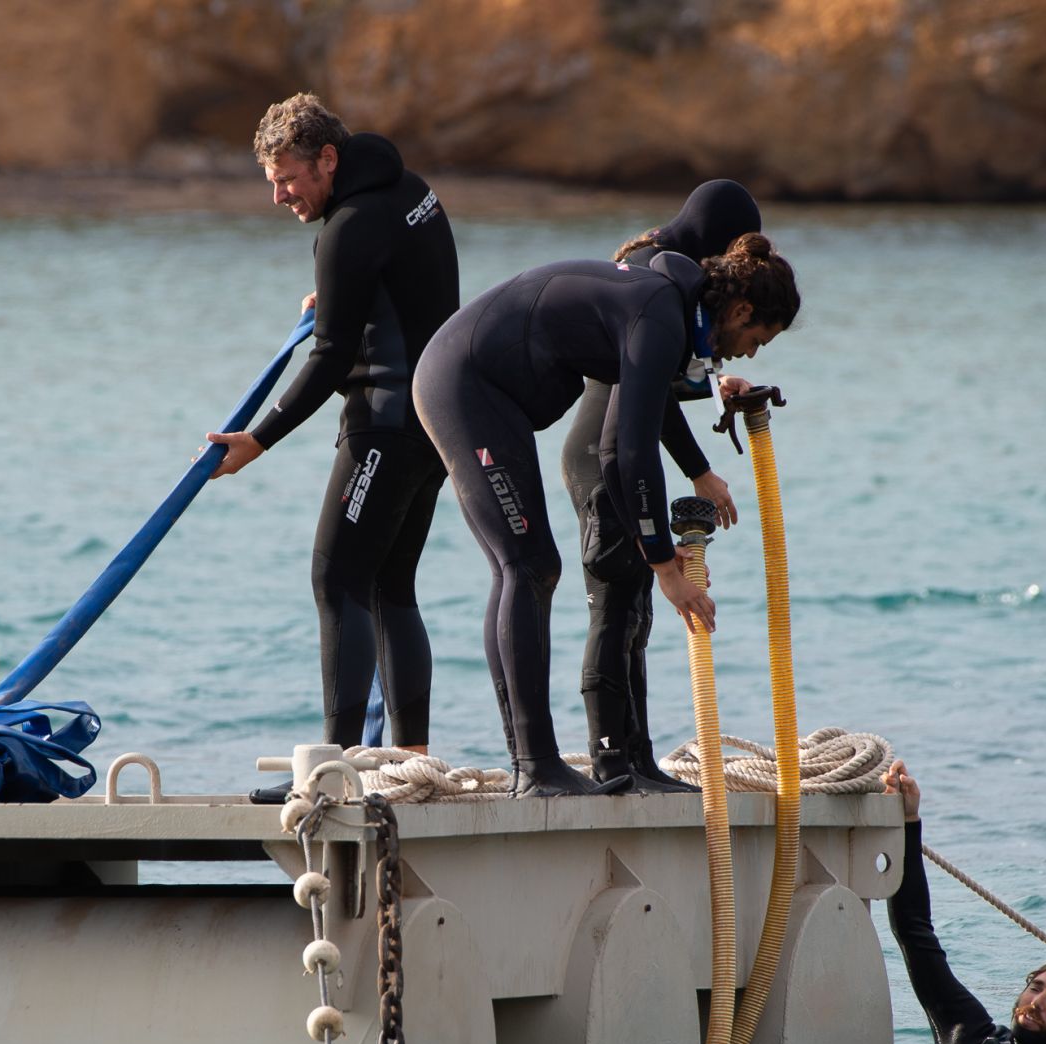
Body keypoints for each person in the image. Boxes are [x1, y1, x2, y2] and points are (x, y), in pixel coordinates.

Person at [413, 233, 799, 796]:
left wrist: (671, 528)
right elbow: (628, 454)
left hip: (483, 390)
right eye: (758, 337)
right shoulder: (662, 315)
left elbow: (637, 436)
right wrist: (666, 568)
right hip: (464, 384)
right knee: (527, 566)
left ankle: (538, 763)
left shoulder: (668, 307)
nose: (751, 352)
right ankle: (535, 767)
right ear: (740, 310)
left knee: (526, 567)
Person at [208, 93, 459, 761]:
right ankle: (410, 761)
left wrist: (258, 438)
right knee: (389, 585)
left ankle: (335, 764)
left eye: (288, 179)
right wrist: (348, 294)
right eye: (273, 182)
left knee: (336, 578)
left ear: (327, 159)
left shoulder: (347, 230)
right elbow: (413, 279)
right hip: (438, 422)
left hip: (384, 424)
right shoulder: (410, 189)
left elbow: (330, 359)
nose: (280, 196)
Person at [561, 180, 762, 793]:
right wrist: (700, 468)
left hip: (618, 451)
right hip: (601, 460)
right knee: (616, 606)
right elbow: (644, 404)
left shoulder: (670, 275)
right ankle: (609, 760)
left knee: (638, 615)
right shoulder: (651, 273)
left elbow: (661, 393)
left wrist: (711, 385)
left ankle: (638, 758)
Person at [882, 759, 1046, 1044]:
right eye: (1036, 987)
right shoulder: (968, 1033)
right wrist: (909, 820)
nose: (1037, 1002)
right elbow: (914, 932)